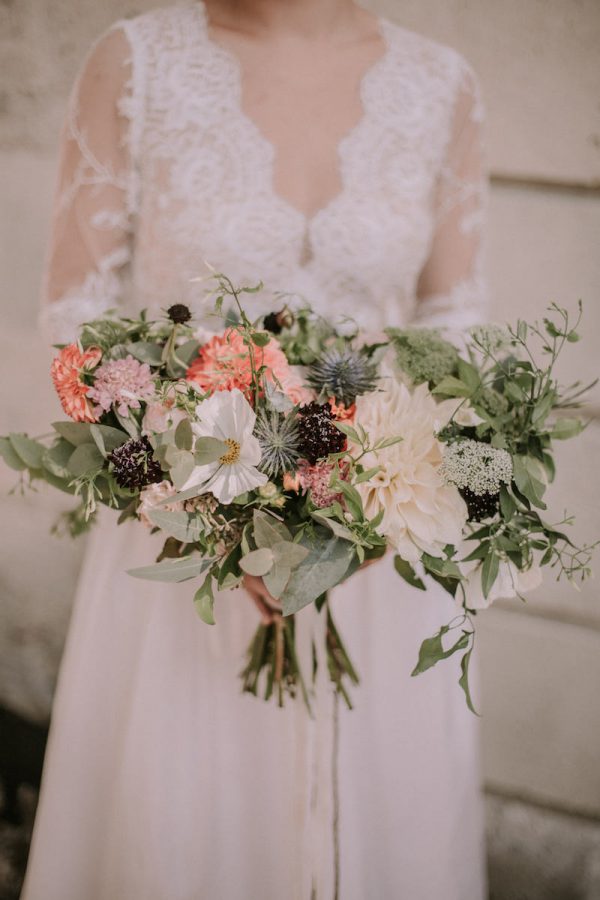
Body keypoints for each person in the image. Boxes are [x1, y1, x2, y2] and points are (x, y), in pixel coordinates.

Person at [22, 1, 489, 897]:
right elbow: (79, 322)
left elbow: (454, 331)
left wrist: (364, 514)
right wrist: (217, 519)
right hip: (179, 535)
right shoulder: (135, 63)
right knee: (181, 816)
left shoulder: (442, 85)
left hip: (381, 535)